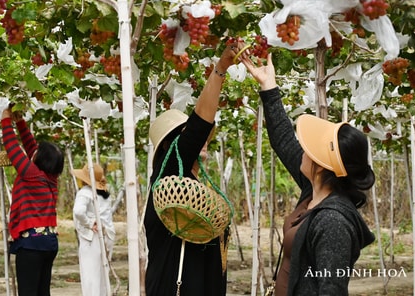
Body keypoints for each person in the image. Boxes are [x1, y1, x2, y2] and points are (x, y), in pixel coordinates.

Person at [240, 52, 376, 295]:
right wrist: (268, 86)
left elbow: (331, 290)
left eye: (310, 148)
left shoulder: (333, 222)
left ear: (323, 165)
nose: (302, 149)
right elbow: (283, 140)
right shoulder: (312, 191)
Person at [144, 40, 243, 296]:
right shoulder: (168, 179)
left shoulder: (193, 188)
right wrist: (220, 68)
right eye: (185, 136)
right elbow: (200, 124)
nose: (198, 140)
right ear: (169, 146)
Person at [1, 107, 64, 296]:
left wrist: (5, 120)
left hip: (32, 245)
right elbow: (31, 146)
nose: (33, 152)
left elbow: (12, 147)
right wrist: (19, 121)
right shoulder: (50, 178)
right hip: (48, 241)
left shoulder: (31, 175)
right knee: (42, 291)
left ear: (38, 160)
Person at [72, 163, 115, 296]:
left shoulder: (85, 192)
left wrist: (89, 223)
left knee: (91, 278)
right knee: (102, 276)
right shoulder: (104, 194)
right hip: (107, 236)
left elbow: (78, 211)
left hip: (93, 237)